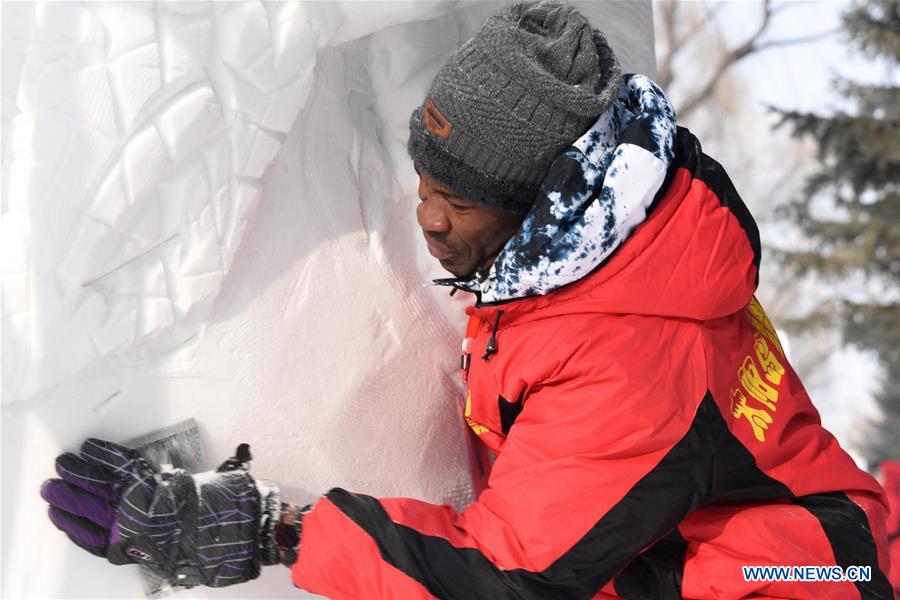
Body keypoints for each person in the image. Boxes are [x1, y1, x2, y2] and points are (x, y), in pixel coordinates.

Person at [40, 2, 893, 598]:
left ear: (548, 201)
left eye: (461, 199)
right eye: (425, 180)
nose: (428, 218)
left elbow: (511, 576)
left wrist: (265, 532)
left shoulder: (632, 360)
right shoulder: (587, 256)